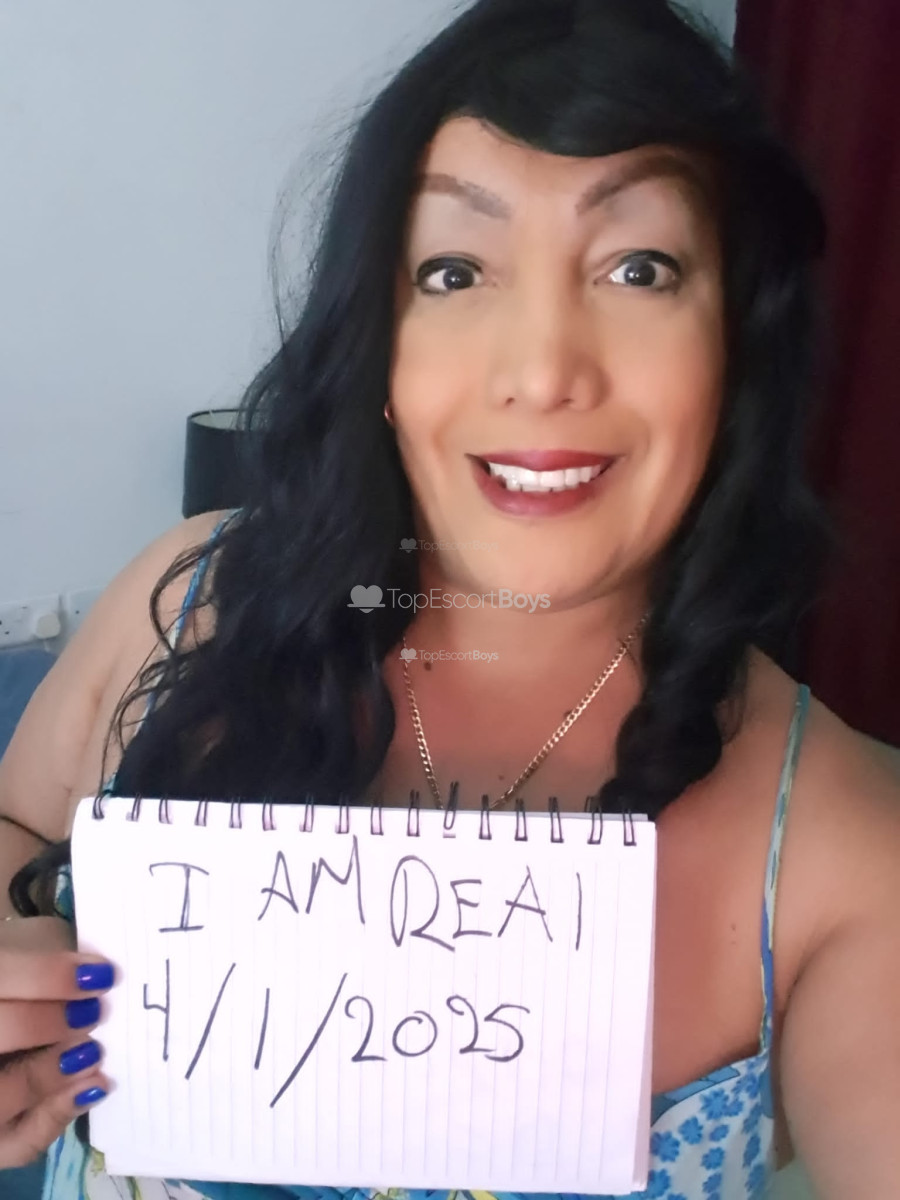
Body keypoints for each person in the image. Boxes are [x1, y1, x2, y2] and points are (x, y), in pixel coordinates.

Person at [1, 0, 898, 1196]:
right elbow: (19, 826)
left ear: (736, 347)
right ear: (380, 349)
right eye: (454, 270)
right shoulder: (191, 598)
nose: (541, 370)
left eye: (638, 268)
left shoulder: (839, 850)